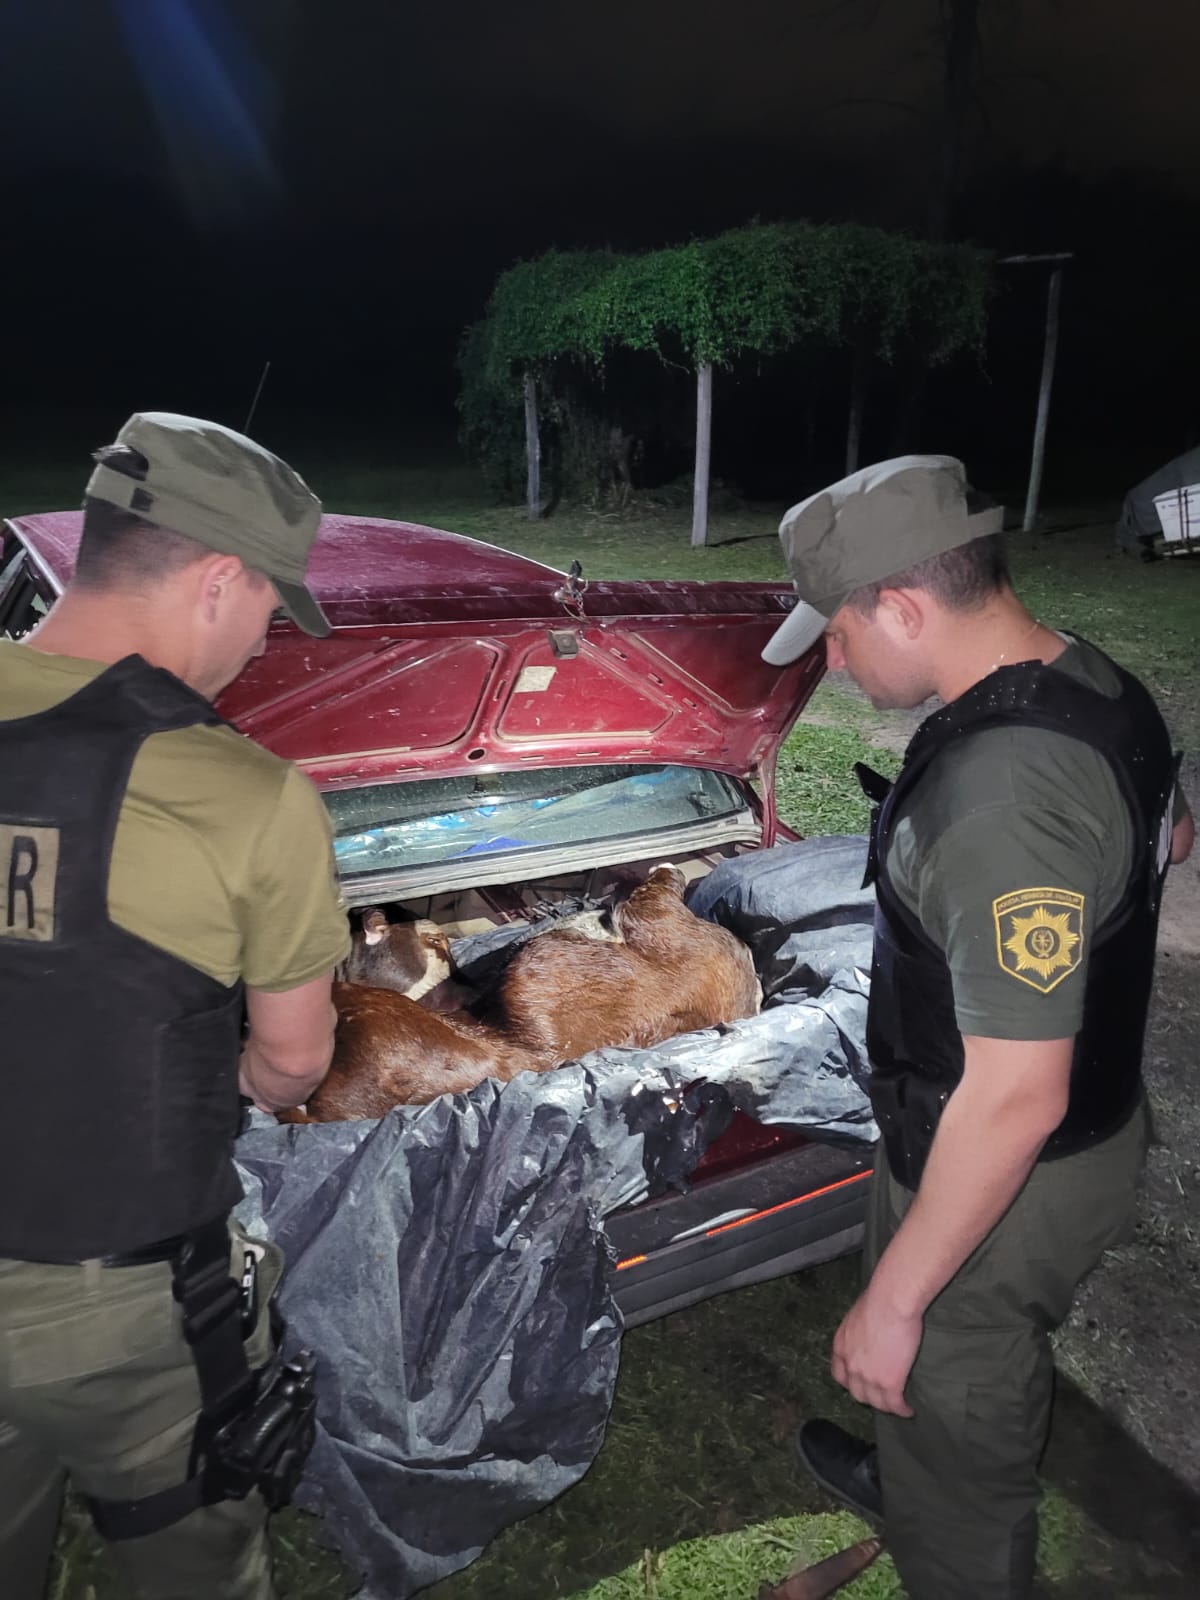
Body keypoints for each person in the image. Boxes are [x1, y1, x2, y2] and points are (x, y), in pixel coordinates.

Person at [761, 455, 1195, 1600]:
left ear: (902, 605)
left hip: (1010, 1163)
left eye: (839, 635)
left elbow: (1014, 1093)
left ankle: (946, 1509)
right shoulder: (1095, 680)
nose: (833, 661)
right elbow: (1174, 837)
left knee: (958, 1376)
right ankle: (919, 1462)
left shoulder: (1001, 795)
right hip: (1018, 1135)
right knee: (947, 1375)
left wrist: (899, 1305)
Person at [0, 412, 352, 1599]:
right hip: (122, 1310)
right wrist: (239, 1078)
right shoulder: (242, 796)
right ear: (217, 581)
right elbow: (295, 1061)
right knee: (185, 1553)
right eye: (268, 612)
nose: (260, 647)